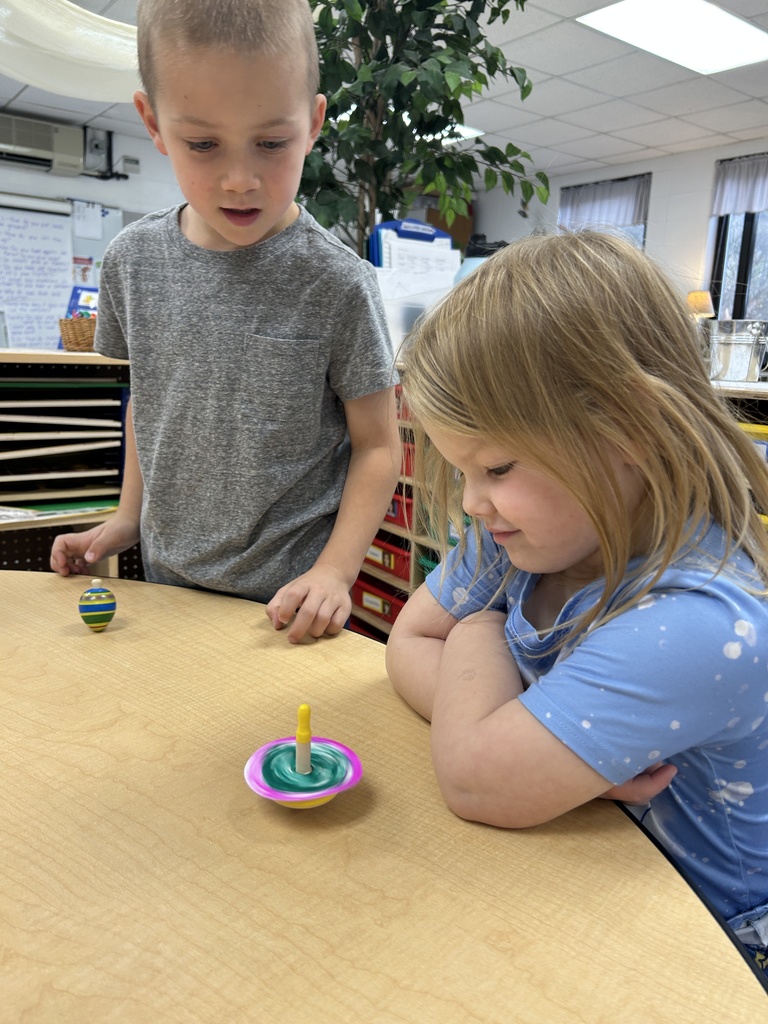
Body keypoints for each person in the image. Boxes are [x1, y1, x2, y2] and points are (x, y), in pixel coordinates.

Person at [386, 230, 768, 968]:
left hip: (711, 947)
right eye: (462, 469)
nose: (471, 503)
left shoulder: (697, 624)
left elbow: (472, 777)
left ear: (627, 427)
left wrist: (476, 647)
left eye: (496, 465)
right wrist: (524, 741)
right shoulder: (528, 531)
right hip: (588, 877)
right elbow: (405, 643)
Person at [50, 0, 400, 643]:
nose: (241, 180)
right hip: (165, 583)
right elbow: (149, 405)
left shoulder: (339, 281)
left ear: (315, 122)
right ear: (153, 125)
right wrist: (129, 515)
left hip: (289, 606)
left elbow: (379, 445)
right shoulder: (132, 260)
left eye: (272, 143)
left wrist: (335, 572)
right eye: (203, 144)